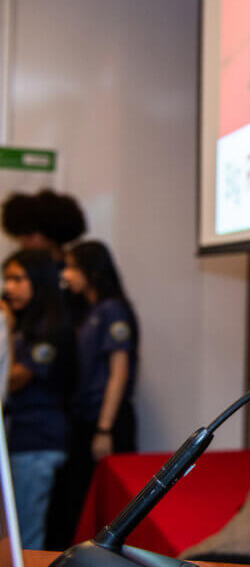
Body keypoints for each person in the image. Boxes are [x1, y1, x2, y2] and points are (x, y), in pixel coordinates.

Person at [51, 241, 138, 547]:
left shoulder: (112, 310)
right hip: (84, 418)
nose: (67, 274)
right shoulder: (87, 312)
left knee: (108, 509)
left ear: (92, 270)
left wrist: (104, 428)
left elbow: (118, 372)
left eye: (73, 267)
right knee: (80, 504)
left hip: (105, 420)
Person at [2, 249, 74, 550]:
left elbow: (15, 378)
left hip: (38, 442)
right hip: (22, 438)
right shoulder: (25, 325)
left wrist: (3, 330)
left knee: (25, 535)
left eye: (18, 279)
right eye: (6, 279)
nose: (8, 287)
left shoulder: (50, 327)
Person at [1, 190, 87, 262]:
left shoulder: (74, 272)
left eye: (29, 234)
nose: (23, 242)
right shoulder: (20, 269)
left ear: (51, 233)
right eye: (19, 235)